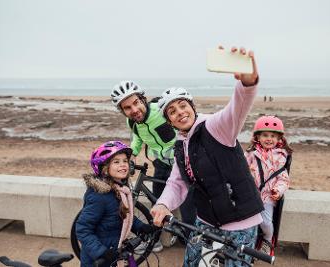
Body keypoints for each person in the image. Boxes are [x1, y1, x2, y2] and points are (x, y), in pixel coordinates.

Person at [150, 46, 264, 267]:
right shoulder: (181, 144)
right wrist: (163, 204)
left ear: (192, 106)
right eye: (172, 112)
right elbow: (177, 182)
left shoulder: (216, 127)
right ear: (170, 122)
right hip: (204, 222)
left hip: (239, 223)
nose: (180, 112)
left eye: (182, 105)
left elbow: (238, 107)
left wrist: (247, 82)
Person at [110, 81, 197, 248]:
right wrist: (132, 154)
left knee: (188, 208)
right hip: (161, 164)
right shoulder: (133, 122)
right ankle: (155, 240)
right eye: (127, 108)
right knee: (157, 204)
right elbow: (138, 138)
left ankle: (191, 243)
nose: (134, 110)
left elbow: (185, 124)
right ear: (122, 111)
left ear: (143, 99)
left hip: (182, 164)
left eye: (136, 102)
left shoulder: (161, 109)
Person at [75, 140, 155, 267]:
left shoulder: (120, 190)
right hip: (100, 260)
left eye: (125, 161)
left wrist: (140, 226)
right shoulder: (99, 196)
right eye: (116, 162)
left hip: (118, 251)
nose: (123, 165)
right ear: (105, 168)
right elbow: (83, 229)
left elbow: (122, 216)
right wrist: (102, 253)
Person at [245, 115, 293, 255]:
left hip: (267, 197)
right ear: (257, 137)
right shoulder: (251, 154)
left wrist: (278, 190)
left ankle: (267, 238)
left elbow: (283, 179)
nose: (269, 139)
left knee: (266, 222)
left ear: (279, 139)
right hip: (251, 196)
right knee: (249, 222)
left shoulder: (281, 157)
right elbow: (241, 170)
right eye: (265, 135)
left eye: (273, 136)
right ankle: (250, 242)